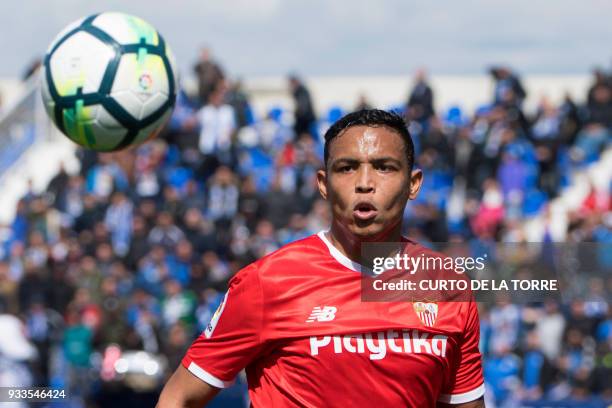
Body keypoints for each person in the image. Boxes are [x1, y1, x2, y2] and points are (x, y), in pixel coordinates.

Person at [155, 110, 486, 407]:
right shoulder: (267, 281)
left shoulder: (448, 287)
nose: (365, 183)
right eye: (347, 168)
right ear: (324, 184)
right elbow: (179, 396)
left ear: (413, 183)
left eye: (384, 167)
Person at [288, 74, 316, 139]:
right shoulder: (300, 91)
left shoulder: (301, 91)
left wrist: (297, 113)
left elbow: (303, 107)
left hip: (305, 119)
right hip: (305, 118)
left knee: (303, 134)